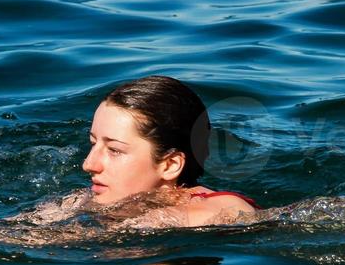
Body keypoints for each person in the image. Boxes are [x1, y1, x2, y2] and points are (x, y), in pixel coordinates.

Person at [19, 75, 260, 229]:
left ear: (170, 165)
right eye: (94, 143)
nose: (89, 164)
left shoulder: (220, 210)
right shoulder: (81, 201)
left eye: (114, 150)